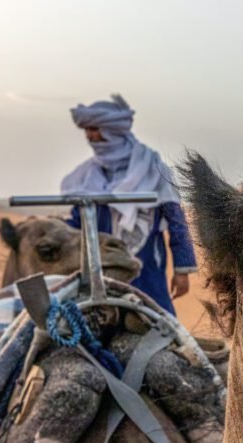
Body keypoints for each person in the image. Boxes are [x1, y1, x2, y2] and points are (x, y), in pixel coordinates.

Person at [60, 94, 196, 314]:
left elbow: (176, 222)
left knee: (157, 321)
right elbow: (77, 224)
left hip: (147, 265)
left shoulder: (153, 169)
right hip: (99, 267)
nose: (90, 136)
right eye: (86, 130)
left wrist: (183, 270)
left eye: (94, 129)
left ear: (112, 130)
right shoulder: (85, 176)